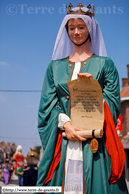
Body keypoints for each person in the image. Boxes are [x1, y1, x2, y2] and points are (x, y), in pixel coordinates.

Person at [36, 3, 128, 194]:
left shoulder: (105, 65)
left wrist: (92, 89)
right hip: (64, 141)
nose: (76, 32)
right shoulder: (54, 67)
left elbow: (113, 104)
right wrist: (66, 125)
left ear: (90, 29)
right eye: (71, 28)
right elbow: (47, 106)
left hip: (95, 144)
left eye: (81, 27)